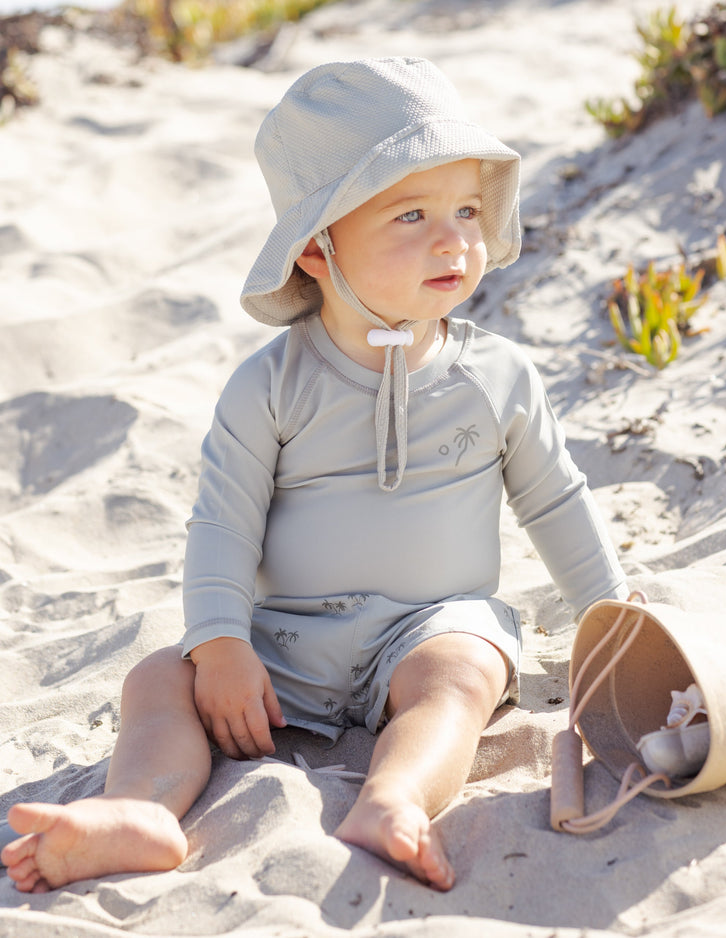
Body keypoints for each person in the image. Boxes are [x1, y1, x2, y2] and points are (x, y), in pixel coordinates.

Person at [1, 57, 628, 894]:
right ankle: (141, 810)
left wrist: (611, 613)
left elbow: (555, 499)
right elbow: (223, 522)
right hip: (284, 643)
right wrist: (224, 645)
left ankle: (395, 797)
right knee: (159, 679)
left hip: (428, 625)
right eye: (412, 214)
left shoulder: (498, 376)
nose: (454, 239)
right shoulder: (271, 385)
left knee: (465, 672)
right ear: (316, 250)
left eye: (468, 210)